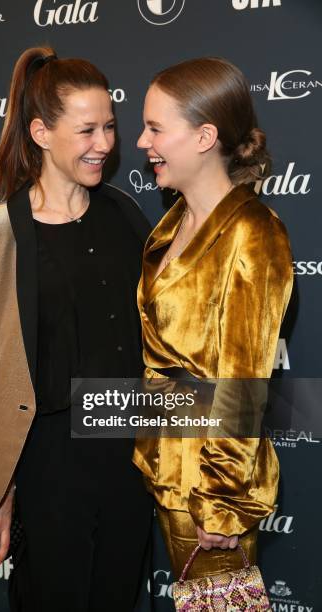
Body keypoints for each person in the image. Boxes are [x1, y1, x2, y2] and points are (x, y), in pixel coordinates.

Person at [0, 46, 153, 611]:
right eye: (85, 130)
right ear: (41, 132)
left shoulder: (126, 214)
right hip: (42, 463)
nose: (103, 144)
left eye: (108, 127)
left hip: (127, 457)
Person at [133, 57, 293, 580]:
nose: (141, 142)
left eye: (155, 128)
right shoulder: (174, 220)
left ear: (205, 137)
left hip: (212, 487)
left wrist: (222, 502)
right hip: (168, 466)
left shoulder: (253, 232)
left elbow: (243, 382)